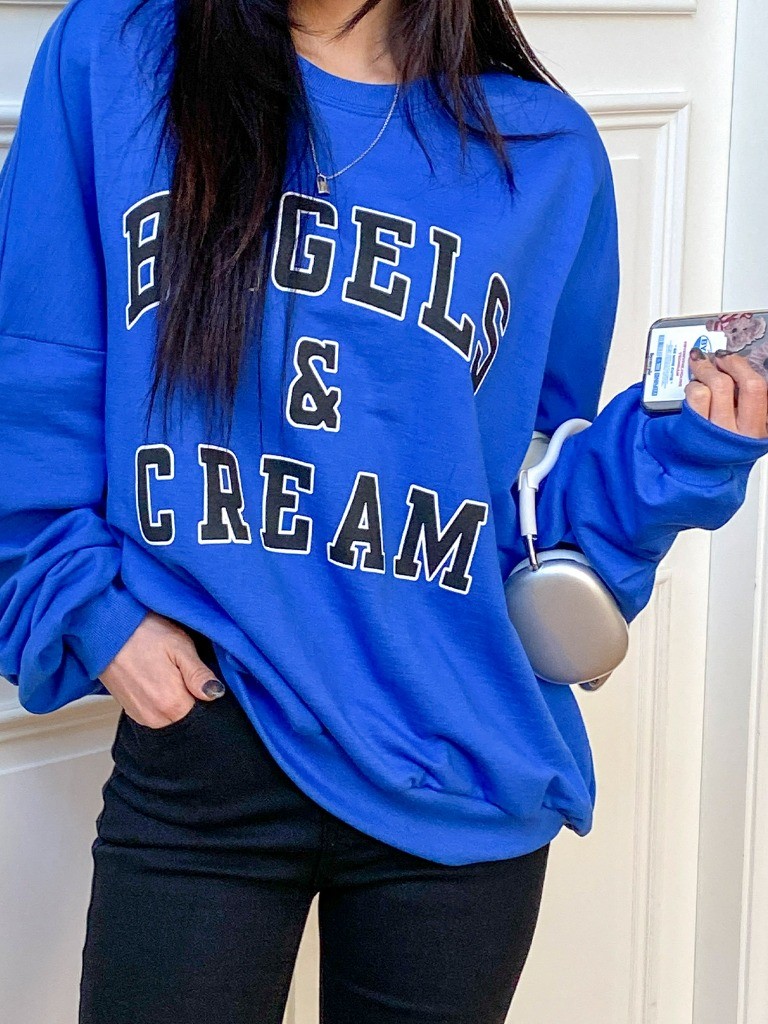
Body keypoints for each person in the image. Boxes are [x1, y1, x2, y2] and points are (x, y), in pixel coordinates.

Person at [1, 0, 767, 1020]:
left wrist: (688, 452)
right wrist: (95, 616)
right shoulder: (120, 55)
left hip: (460, 758)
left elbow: (528, 509)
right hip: (211, 745)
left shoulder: (545, 153)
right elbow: (31, 384)